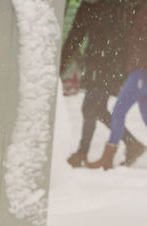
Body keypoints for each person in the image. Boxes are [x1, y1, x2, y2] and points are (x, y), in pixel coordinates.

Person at [60, 0, 145, 166]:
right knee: (98, 109)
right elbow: (75, 36)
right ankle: (131, 143)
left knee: (92, 107)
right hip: (101, 63)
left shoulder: (112, 5)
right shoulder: (92, 6)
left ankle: (83, 152)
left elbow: (124, 36)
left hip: (108, 65)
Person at [90, 0, 147, 165]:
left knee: (118, 111)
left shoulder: (143, 9)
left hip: (141, 71)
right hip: (139, 69)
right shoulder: (137, 8)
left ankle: (108, 157)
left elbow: (140, 40)